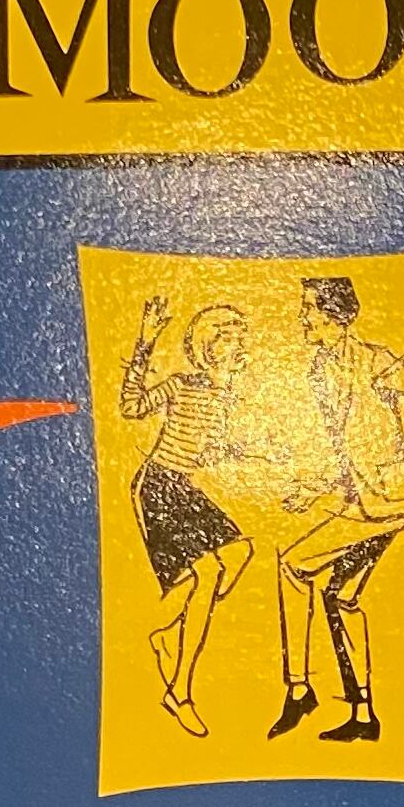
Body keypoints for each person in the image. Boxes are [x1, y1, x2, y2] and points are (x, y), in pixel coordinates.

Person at [270, 275, 404, 745]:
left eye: (310, 309)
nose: (302, 319)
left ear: (336, 316)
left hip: (391, 499)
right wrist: (315, 488)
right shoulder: (319, 371)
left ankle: (299, 689)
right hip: (363, 497)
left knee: (293, 565)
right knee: (340, 598)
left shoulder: (376, 362)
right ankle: (363, 714)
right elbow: (346, 446)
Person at [120, 297, 256, 738]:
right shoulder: (181, 385)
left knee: (239, 553)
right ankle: (179, 692)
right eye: (231, 340)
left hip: (183, 487)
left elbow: (211, 451)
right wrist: (145, 342)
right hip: (158, 486)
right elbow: (132, 407)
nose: (240, 348)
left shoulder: (225, 397)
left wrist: (257, 453)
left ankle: (169, 632)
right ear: (209, 348)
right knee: (208, 573)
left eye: (242, 340)